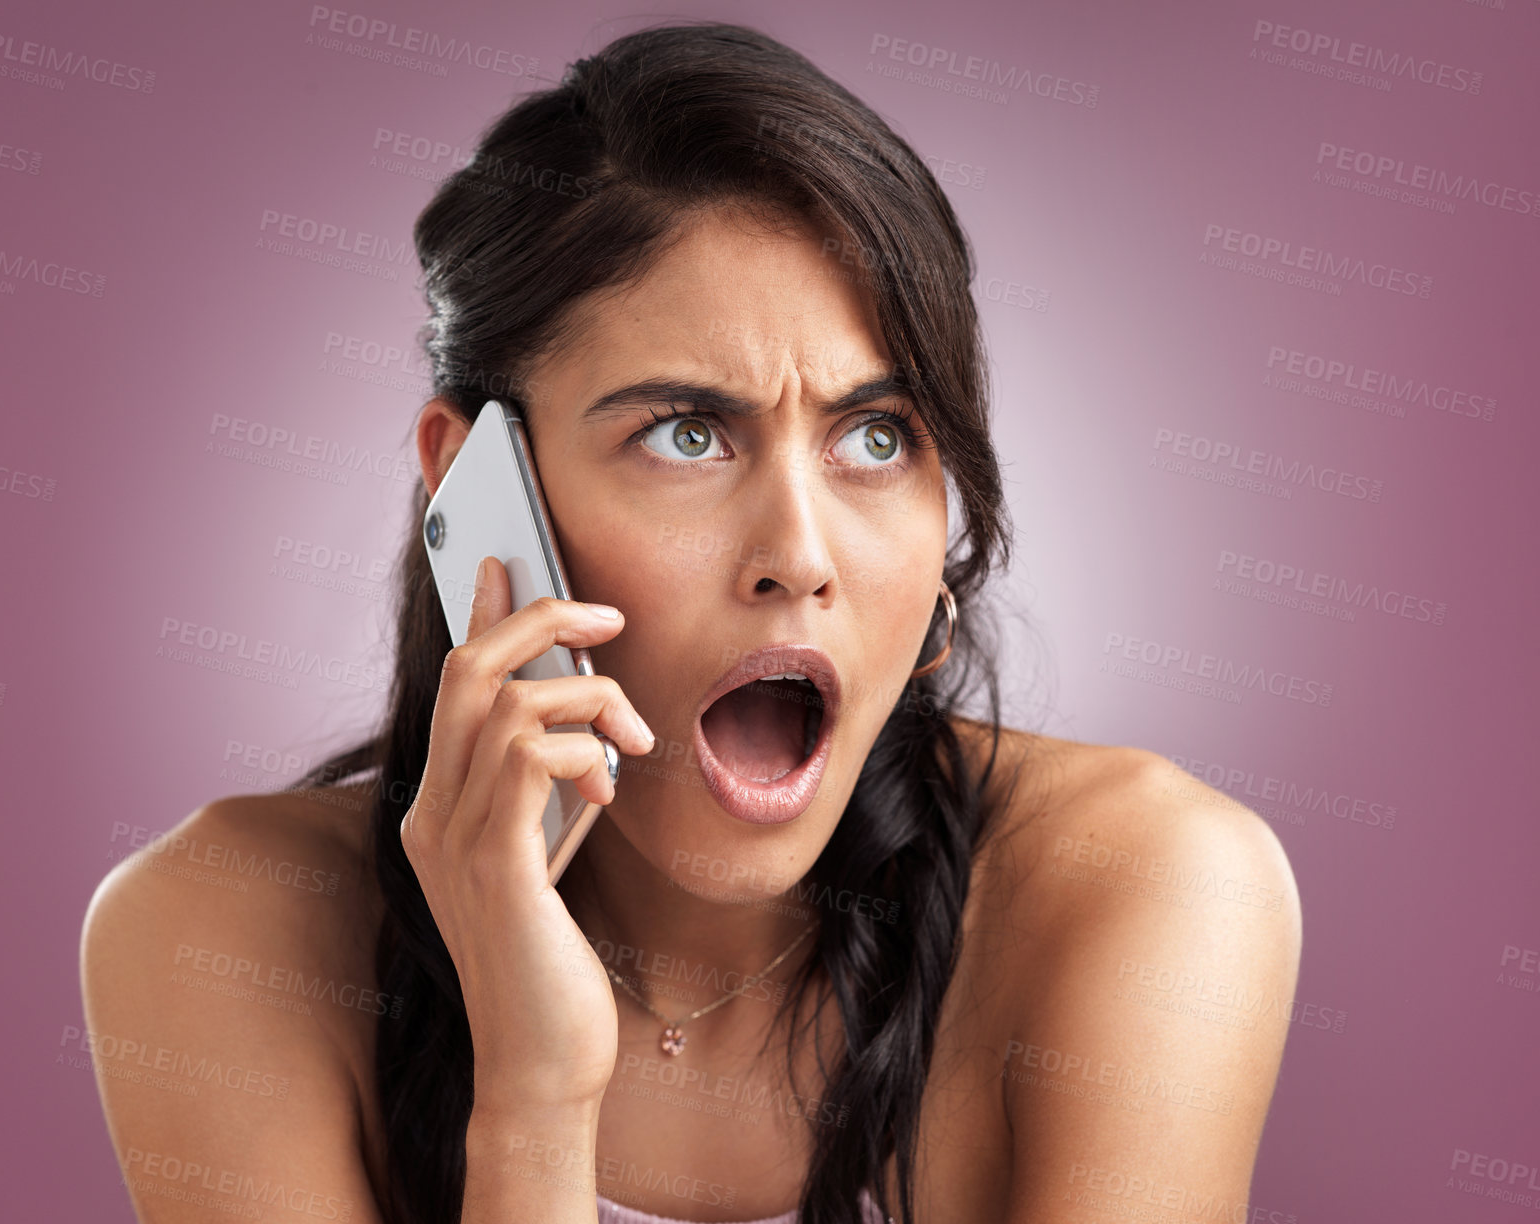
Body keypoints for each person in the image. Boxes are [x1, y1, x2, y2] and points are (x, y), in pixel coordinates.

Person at [80, 21, 1300, 1224]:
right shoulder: (221, 936)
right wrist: (535, 1094)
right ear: (479, 492)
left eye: (877, 438)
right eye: (685, 435)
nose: (800, 558)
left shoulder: (1143, 892)